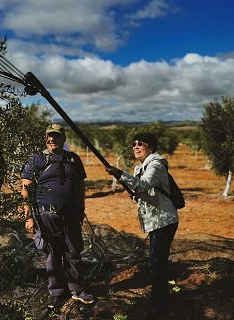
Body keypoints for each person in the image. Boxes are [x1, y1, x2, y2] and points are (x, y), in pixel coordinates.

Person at [21, 123, 95, 309]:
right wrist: (28, 217)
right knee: (52, 254)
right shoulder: (37, 159)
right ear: (45, 138)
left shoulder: (73, 159)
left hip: (71, 214)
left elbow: (80, 187)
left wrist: (81, 210)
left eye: (56, 136)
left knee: (73, 252)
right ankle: (57, 292)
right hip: (46, 215)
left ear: (63, 139)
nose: (52, 139)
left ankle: (77, 290)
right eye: (49, 136)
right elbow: (25, 189)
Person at [106, 132, 179, 316]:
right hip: (156, 221)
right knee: (157, 262)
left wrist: (120, 174)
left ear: (151, 147)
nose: (136, 146)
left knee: (157, 263)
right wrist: (134, 192)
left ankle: (159, 304)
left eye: (141, 144)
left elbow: (143, 185)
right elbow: (139, 190)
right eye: (134, 144)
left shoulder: (156, 164)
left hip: (164, 220)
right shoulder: (140, 167)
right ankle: (162, 296)